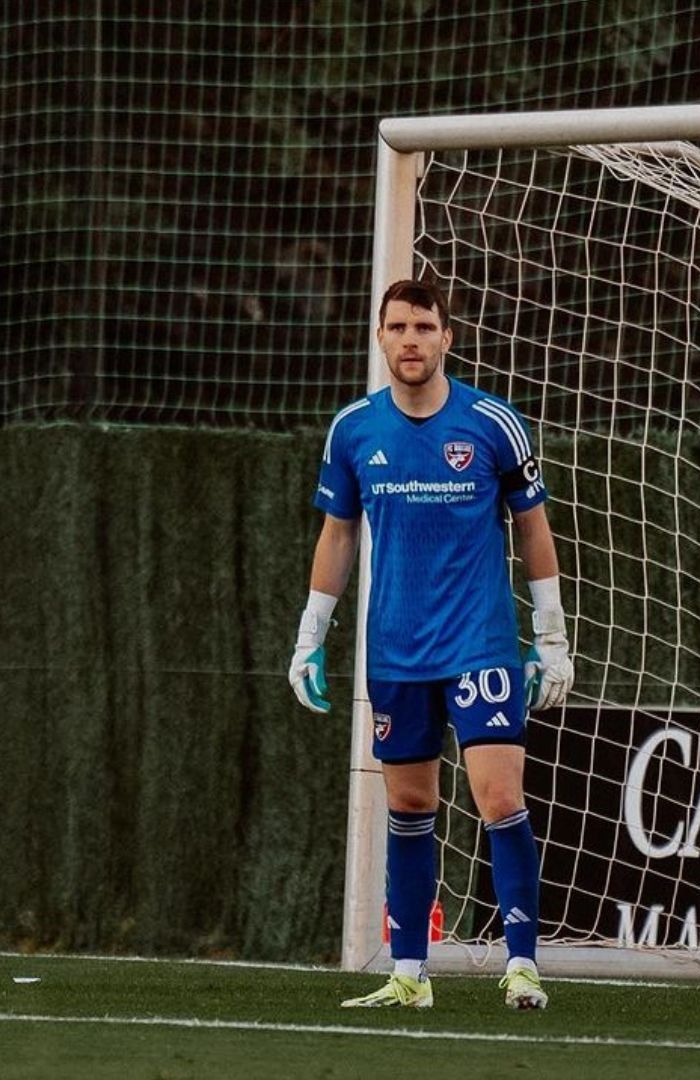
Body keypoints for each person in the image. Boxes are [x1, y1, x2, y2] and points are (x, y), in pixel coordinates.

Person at [288, 278, 575, 1010]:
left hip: (480, 646)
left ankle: (521, 966)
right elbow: (338, 533)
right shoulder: (353, 429)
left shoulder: (491, 423)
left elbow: (532, 526)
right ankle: (409, 974)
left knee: (498, 796)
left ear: (447, 337)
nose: (409, 339)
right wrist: (309, 638)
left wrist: (549, 635)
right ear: (380, 339)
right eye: (396, 327)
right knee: (410, 806)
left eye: (423, 326)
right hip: (395, 653)